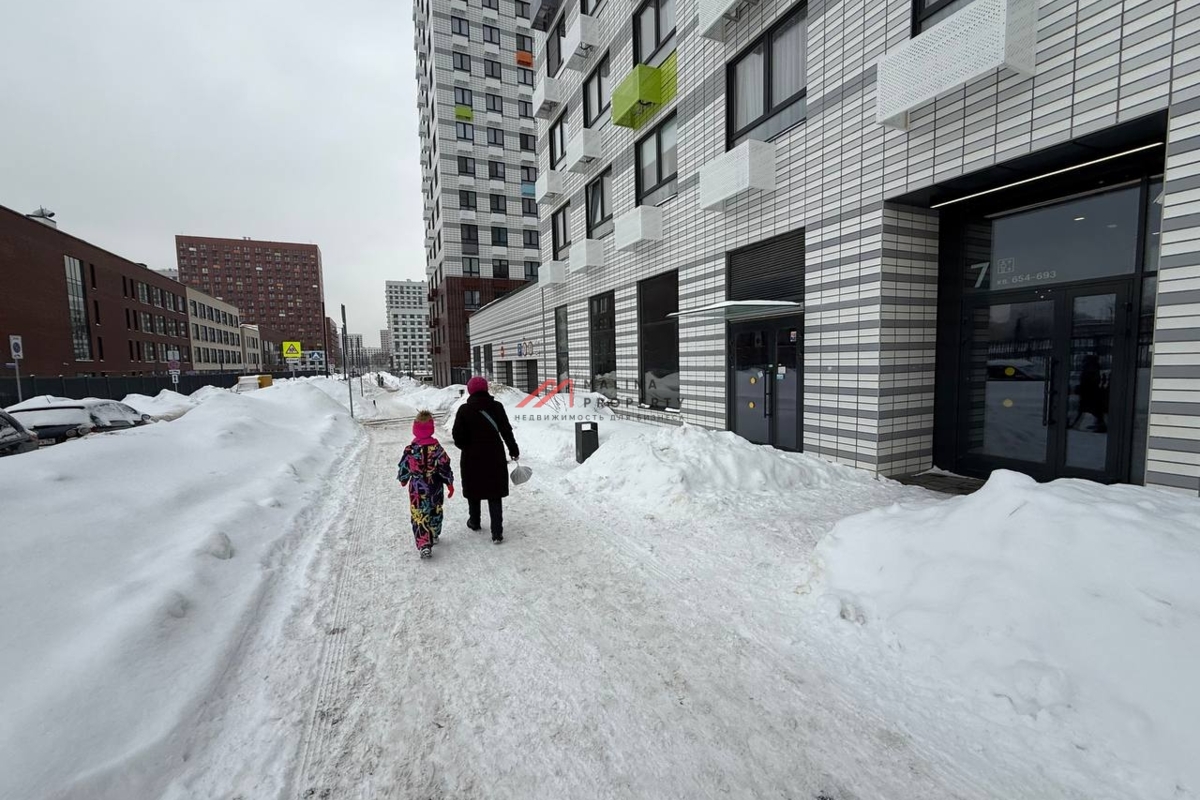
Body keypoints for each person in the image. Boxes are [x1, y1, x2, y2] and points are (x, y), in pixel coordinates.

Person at [452, 376, 519, 544]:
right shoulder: (497, 407)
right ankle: (497, 533)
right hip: (494, 455)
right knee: (494, 492)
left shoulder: (464, 410)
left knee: (474, 490)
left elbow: (457, 436)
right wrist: (513, 449)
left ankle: (474, 522)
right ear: (486, 389)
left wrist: (466, 447)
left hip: (471, 457)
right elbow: (506, 430)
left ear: (470, 391)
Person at [397, 410, 455, 559]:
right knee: (435, 509)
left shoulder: (410, 450)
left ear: (415, 429)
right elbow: (445, 466)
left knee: (419, 514)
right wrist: (449, 483)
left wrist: (403, 479)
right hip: (434, 485)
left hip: (417, 488)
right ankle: (434, 533)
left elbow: (404, 466)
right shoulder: (437, 449)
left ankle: (424, 544)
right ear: (431, 428)